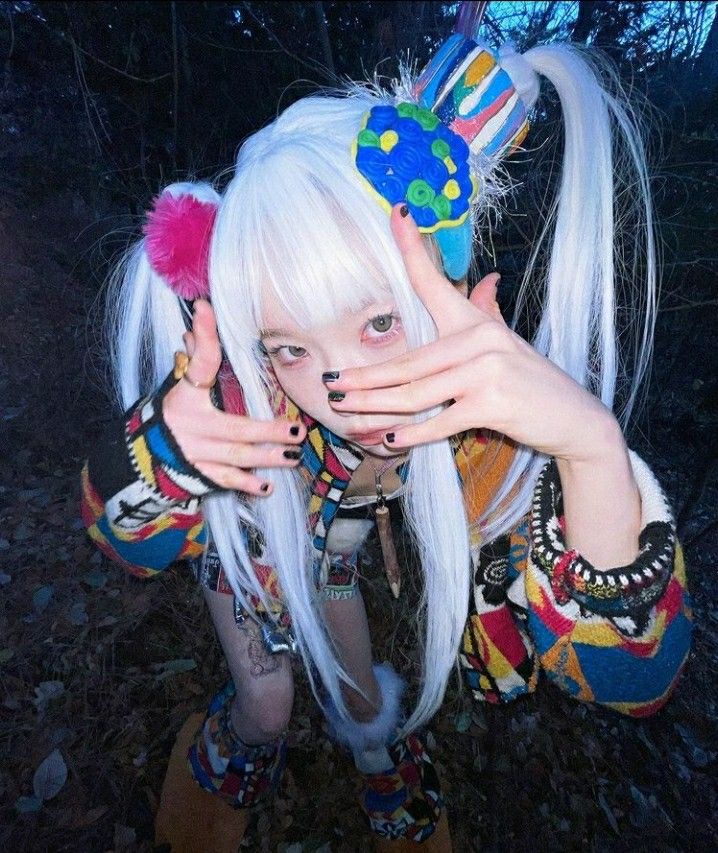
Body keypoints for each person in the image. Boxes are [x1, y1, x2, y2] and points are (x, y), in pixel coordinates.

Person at [80, 7, 693, 847]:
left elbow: (638, 681)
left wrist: (592, 449)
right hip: (270, 529)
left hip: (338, 545)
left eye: (377, 324)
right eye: (291, 346)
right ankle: (242, 744)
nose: (342, 387)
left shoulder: (487, 429)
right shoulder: (244, 398)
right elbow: (119, 540)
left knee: (366, 701)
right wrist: (165, 451)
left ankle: (381, 759)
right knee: (270, 701)